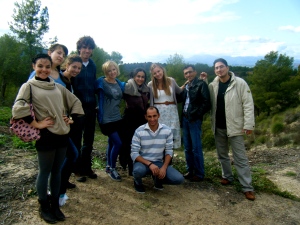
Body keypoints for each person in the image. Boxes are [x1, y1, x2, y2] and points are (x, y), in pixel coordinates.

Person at [12, 54, 84, 223]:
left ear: (51, 67)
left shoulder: (57, 87)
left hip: (62, 134)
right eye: (40, 66)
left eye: (47, 66)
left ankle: (54, 205)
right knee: (45, 172)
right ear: (33, 67)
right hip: (46, 135)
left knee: (57, 171)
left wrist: (71, 118)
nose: (44, 69)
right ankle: (43, 205)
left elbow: (75, 102)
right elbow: (18, 108)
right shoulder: (28, 86)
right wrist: (36, 124)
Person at [206, 58, 255, 201]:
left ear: (227, 68)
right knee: (222, 155)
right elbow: (206, 99)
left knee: (240, 158)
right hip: (218, 126)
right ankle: (227, 176)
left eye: (221, 67)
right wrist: (203, 82)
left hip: (235, 127)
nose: (219, 70)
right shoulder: (213, 85)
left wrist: (248, 124)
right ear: (214, 70)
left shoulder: (239, 83)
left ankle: (247, 187)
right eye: (216, 68)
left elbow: (248, 104)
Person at [131, 106, 184, 193]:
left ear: (158, 115)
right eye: (149, 116)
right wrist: (150, 164)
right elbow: (134, 153)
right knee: (137, 171)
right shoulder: (139, 131)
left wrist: (164, 167)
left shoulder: (167, 131)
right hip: (143, 162)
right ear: (145, 117)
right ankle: (137, 183)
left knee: (179, 179)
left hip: (159, 162)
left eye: (154, 116)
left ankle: (158, 179)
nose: (152, 119)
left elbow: (169, 151)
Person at [70, 36, 97, 182]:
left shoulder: (92, 65)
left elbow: (93, 84)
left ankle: (87, 167)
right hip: (77, 107)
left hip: (91, 106)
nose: (87, 50)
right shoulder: (74, 63)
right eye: (84, 47)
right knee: (76, 139)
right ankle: (77, 169)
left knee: (89, 139)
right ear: (79, 48)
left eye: (89, 48)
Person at [59, 54, 83, 206]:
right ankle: (58, 192)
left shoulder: (71, 81)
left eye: (79, 68)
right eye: (74, 67)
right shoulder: (59, 80)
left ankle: (63, 182)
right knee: (72, 154)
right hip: (59, 125)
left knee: (70, 155)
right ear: (66, 65)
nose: (76, 70)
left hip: (69, 124)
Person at [95, 60, 125, 181]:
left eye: (114, 69)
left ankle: (108, 166)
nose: (112, 72)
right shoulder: (101, 82)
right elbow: (91, 92)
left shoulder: (120, 83)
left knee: (111, 143)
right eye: (109, 70)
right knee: (118, 143)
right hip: (106, 118)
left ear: (117, 70)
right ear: (105, 72)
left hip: (117, 117)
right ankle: (112, 168)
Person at [180, 65, 211, 182]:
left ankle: (199, 173)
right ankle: (190, 170)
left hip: (194, 120)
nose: (188, 75)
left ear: (195, 72)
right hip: (185, 118)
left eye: (190, 72)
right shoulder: (187, 86)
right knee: (187, 147)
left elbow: (206, 103)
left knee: (196, 148)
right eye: (186, 73)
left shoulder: (201, 84)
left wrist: (196, 115)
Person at [119, 68, 150, 176]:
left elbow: (146, 104)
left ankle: (138, 167)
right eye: (138, 76)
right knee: (128, 144)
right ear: (133, 76)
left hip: (141, 120)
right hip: (129, 119)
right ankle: (129, 167)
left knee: (139, 144)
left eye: (142, 77)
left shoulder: (146, 89)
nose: (140, 79)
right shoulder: (128, 87)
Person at [148, 63, 182, 149]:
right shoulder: (150, 84)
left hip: (172, 112)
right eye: (154, 73)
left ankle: (169, 160)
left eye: (158, 71)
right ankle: (160, 160)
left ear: (162, 70)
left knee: (171, 136)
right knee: (160, 136)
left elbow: (180, 91)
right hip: (158, 113)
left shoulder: (171, 81)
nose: (157, 74)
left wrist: (190, 82)